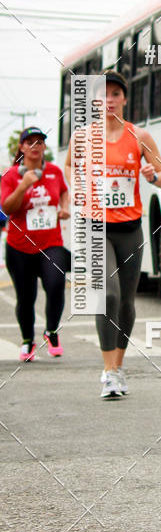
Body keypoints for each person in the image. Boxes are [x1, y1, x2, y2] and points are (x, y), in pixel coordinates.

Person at [65, 70, 161, 398]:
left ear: (125, 98)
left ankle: (119, 365)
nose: (108, 100)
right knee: (107, 294)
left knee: (126, 301)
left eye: (115, 94)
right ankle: (109, 372)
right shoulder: (82, 137)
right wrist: (77, 186)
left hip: (130, 229)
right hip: (95, 227)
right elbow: (69, 166)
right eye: (102, 95)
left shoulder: (139, 136)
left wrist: (152, 176)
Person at [0, 127, 69, 361]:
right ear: (21, 147)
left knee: (56, 284)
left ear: (44, 147)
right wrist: (23, 186)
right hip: (19, 247)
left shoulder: (54, 172)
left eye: (39, 142)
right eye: (29, 142)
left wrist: (64, 208)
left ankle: (51, 331)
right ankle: (27, 340)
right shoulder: (11, 175)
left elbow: (63, 192)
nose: (35, 146)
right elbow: (7, 208)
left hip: (51, 243)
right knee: (26, 297)